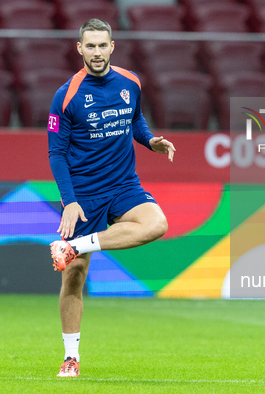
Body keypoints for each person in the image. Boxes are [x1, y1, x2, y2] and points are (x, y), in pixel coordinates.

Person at [47, 18, 175, 378]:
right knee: (74, 276)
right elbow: (56, 153)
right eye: (90, 46)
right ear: (80, 48)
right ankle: (71, 357)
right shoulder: (66, 94)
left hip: (123, 184)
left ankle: (76, 245)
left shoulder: (130, 81)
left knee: (157, 224)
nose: (97, 52)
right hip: (83, 192)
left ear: (112, 46)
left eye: (103, 45)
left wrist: (150, 140)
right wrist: (69, 200)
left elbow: (135, 120)